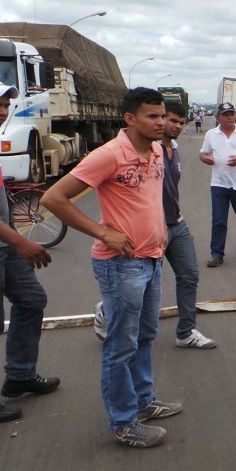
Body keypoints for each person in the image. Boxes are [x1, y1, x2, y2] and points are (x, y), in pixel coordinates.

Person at [41, 87, 183, 449]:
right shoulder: (108, 155)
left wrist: (161, 232)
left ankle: (143, 402)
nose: (160, 122)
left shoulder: (155, 150)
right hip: (121, 266)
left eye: (162, 115)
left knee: (146, 336)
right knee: (121, 346)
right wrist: (104, 232)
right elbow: (53, 198)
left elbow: (149, 200)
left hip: (151, 258)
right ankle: (123, 423)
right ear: (130, 119)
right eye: (152, 116)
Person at [94, 101, 217, 349]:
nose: (173, 125)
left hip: (175, 225)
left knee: (189, 275)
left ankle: (185, 332)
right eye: (169, 120)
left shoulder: (172, 150)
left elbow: (170, 192)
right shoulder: (148, 150)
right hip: (148, 230)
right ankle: (107, 311)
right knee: (141, 290)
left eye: (180, 122)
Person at [0, 83, 59, 423]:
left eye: (6, 104)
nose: (2, 110)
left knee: (31, 300)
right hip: (8, 244)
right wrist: (20, 240)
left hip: (6, 249)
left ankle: (20, 374)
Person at [199, 102, 236, 267]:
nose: (230, 117)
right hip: (219, 184)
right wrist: (207, 159)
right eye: (226, 114)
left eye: (232, 114)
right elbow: (203, 153)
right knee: (219, 220)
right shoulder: (211, 134)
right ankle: (217, 254)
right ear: (218, 117)